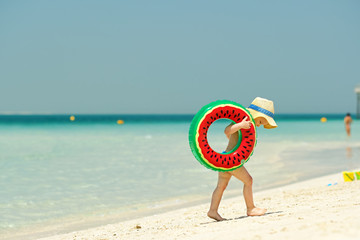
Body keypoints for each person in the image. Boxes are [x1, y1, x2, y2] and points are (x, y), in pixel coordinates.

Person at [207, 97, 277, 221]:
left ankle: (213, 211)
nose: (259, 125)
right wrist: (240, 125)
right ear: (256, 115)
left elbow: (232, 137)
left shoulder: (248, 127)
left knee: (221, 186)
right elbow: (227, 131)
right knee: (248, 181)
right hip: (231, 161)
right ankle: (250, 208)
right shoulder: (241, 121)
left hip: (225, 158)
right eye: (260, 122)